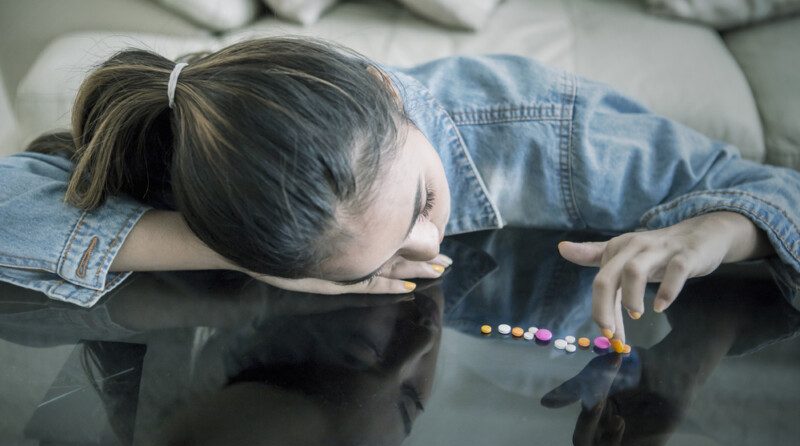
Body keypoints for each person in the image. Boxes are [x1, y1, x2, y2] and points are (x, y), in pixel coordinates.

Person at [2, 36, 799, 343]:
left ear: (386, 90)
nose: (426, 255)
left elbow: (773, 189)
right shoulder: (207, 169)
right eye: (366, 266)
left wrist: (717, 230)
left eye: (421, 203)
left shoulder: (547, 129)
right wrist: (231, 248)